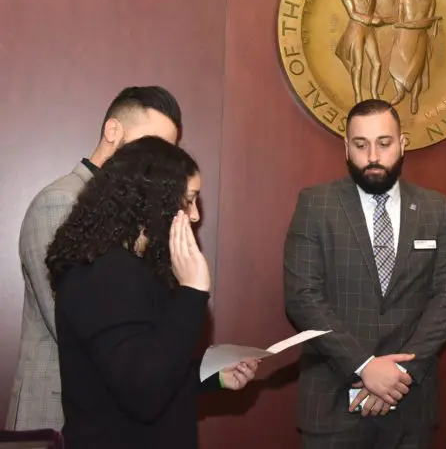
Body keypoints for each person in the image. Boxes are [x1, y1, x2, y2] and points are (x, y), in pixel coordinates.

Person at [45, 136, 258, 449]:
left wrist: (214, 374)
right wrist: (192, 292)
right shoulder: (104, 274)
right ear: (153, 200)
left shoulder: (134, 267)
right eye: (189, 200)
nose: (196, 215)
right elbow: (144, 392)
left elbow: (149, 361)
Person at [284, 98, 446, 449]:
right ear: (346, 148)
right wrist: (364, 366)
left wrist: (398, 375)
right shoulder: (315, 204)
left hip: (410, 407)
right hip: (333, 405)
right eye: (361, 145)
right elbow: (302, 297)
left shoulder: (434, 208)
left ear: (402, 144)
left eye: (384, 143)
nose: (374, 157)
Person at [7, 85, 183, 431]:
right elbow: (72, 322)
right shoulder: (61, 202)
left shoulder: (128, 214)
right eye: (149, 144)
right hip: (55, 414)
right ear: (112, 131)